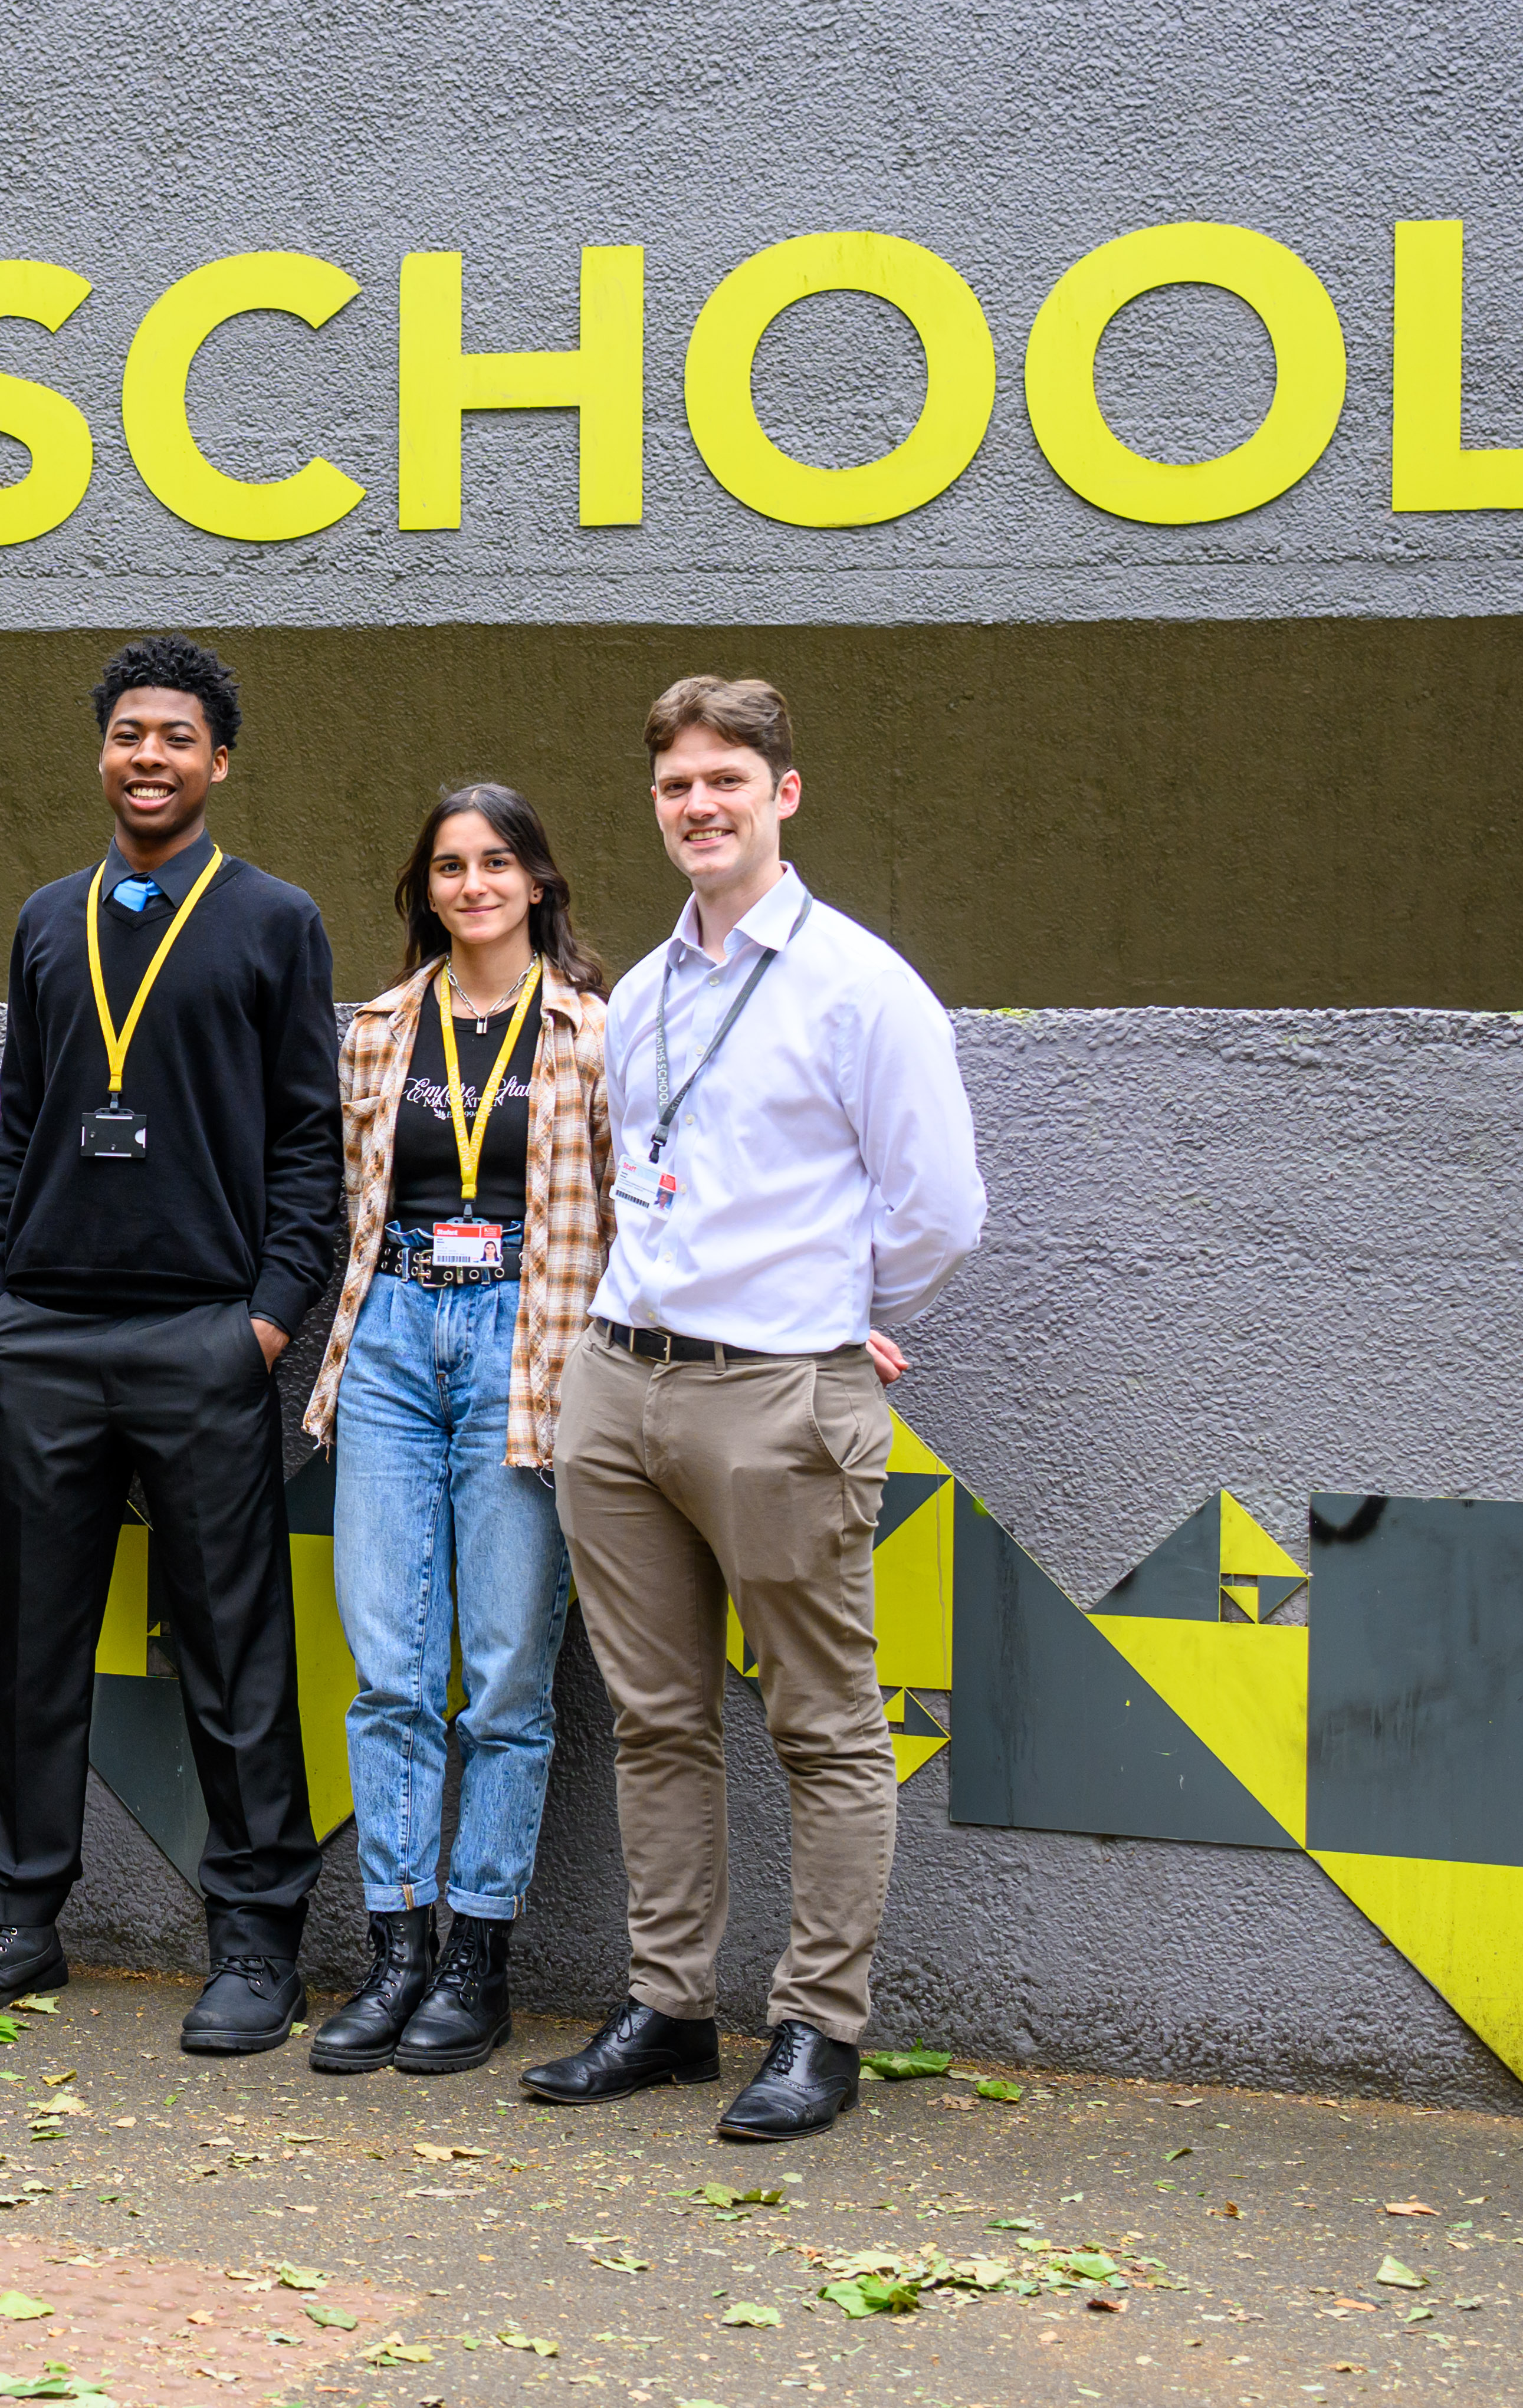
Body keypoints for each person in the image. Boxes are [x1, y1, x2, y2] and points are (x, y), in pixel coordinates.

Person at [523, 675, 984, 2143]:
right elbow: (634, 1184)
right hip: (619, 1383)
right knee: (654, 1719)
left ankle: (817, 2027)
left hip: (776, 1400)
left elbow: (938, 1212)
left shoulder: (861, 987)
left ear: (784, 792)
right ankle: (669, 2008)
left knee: (824, 1725)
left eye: (726, 779)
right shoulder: (641, 994)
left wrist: (830, 1316)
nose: (699, 806)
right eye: (675, 787)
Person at [0, 634, 344, 2055]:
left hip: (201, 1335)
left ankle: (255, 1943)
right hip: (43, 1336)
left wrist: (267, 1318)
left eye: (176, 736)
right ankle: (16, 1921)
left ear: (217, 761)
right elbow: (24, 1117)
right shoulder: (49, 919)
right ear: (101, 754)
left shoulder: (276, 920)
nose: (148, 756)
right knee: (36, 1642)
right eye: (127, 735)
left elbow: (307, 1136)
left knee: (233, 1648)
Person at [298, 783, 615, 2076]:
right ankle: (393, 1952)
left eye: (496, 862)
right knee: (385, 1664)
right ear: (422, 888)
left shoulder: (595, 1033)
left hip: (528, 1349)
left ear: (537, 880)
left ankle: (478, 1956)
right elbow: (347, 1204)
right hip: (387, 1339)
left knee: (501, 1677)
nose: (472, 883)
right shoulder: (376, 1032)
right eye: (448, 866)